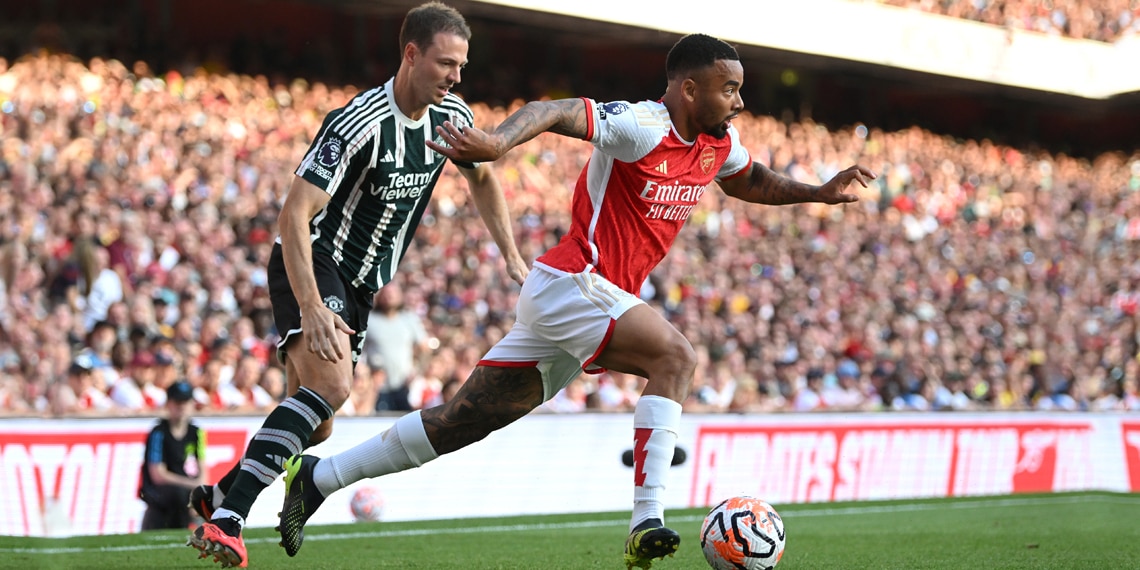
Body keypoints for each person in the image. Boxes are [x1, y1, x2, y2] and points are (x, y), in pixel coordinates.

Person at [275, 33, 875, 569]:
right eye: (730, 89)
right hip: (574, 282)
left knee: (461, 422)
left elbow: (750, 179)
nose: (739, 101)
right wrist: (498, 143)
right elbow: (556, 110)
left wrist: (817, 193)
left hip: (586, 303)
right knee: (677, 358)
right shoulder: (643, 125)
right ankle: (646, 521)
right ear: (689, 89)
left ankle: (319, 480)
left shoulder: (719, 142)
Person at [186, 2, 527, 567]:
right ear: (411, 54)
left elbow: (484, 176)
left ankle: (214, 495)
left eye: (462, 66)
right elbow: (294, 214)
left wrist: (511, 254)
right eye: (446, 63)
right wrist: (312, 305)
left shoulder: (452, 116)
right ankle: (229, 520)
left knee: (315, 425)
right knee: (335, 386)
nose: (456, 76)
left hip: (364, 283)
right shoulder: (358, 122)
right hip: (315, 261)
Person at [139, 381, 206, 530]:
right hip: (159, 490)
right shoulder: (159, 432)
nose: (181, 406)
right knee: (179, 495)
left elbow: (203, 471)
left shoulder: (196, 432)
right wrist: (192, 485)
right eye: (177, 402)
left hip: (184, 486)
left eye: (185, 401)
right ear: (168, 404)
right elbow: (158, 475)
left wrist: (199, 490)